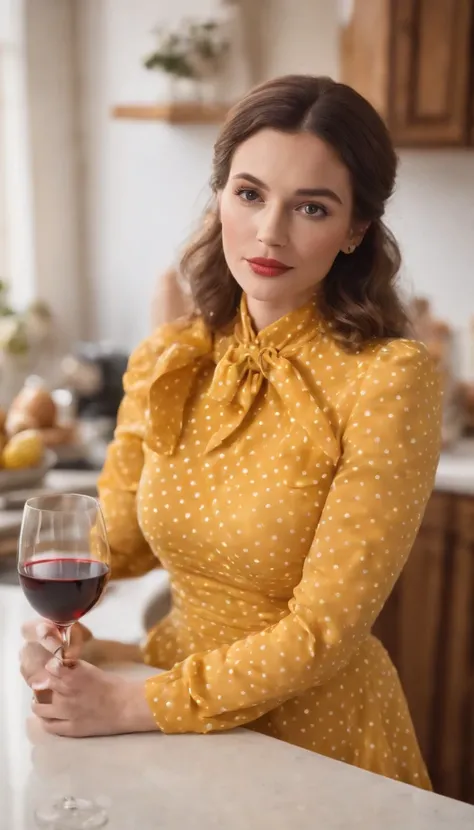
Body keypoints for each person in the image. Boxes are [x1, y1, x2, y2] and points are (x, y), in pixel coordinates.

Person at [21, 75, 442, 788]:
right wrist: (62, 633)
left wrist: (133, 699)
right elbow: (114, 545)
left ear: (356, 231)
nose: (270, 232)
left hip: (317, 746)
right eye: (250, 194)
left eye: (312, 207)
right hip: (172, 737)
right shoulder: (172, 354)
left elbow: (325, 635)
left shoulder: (390, 379)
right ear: (220, 198)